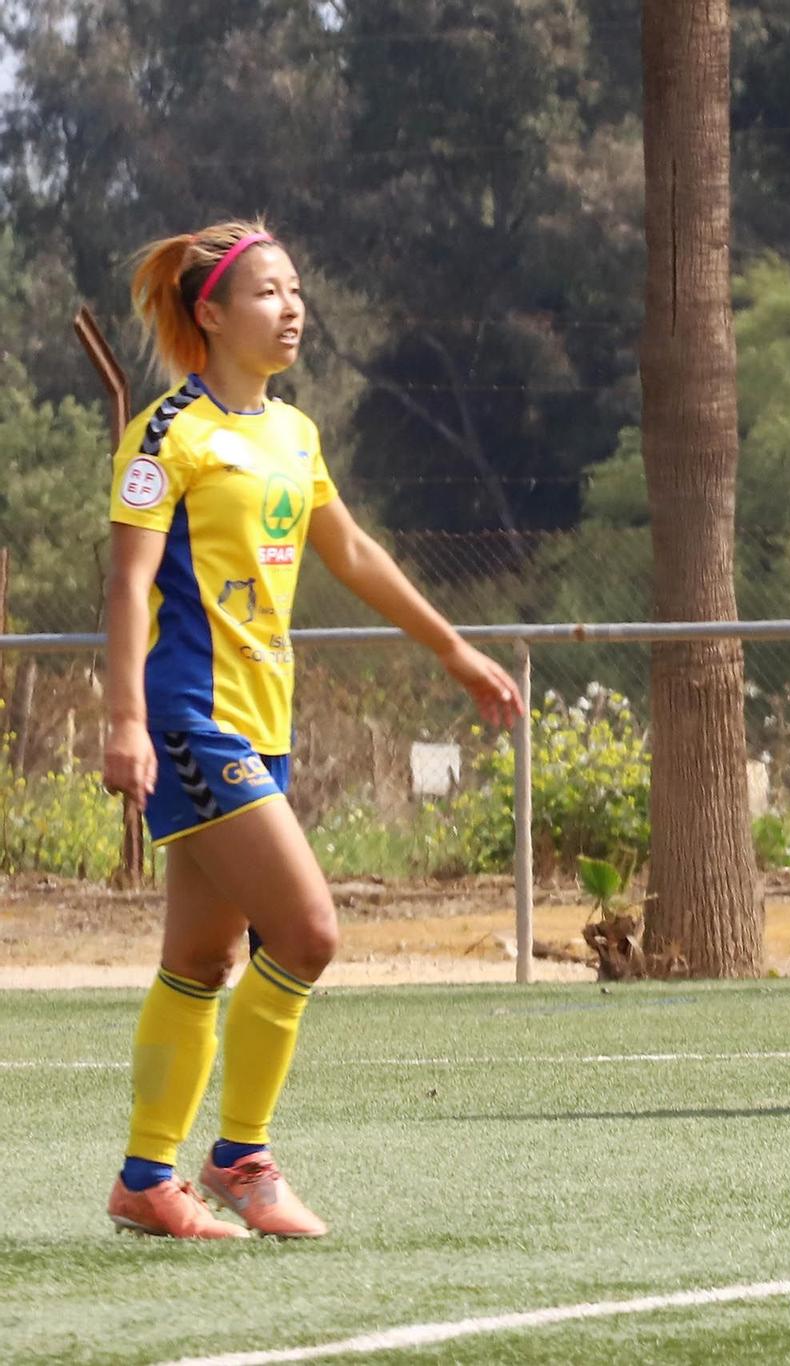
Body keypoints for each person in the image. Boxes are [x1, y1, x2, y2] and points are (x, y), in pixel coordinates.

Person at [101, 220, 523, 1238]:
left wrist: (456, 651)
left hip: (261, 722)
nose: (291, 308)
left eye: (295, 291)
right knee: (308, 931)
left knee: (202, 961)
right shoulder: (169, 433)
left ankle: (145, 1181)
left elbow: (357, 553)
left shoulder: (293, 433)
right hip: (192, 720)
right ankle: (240, 1157)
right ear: (211, 314)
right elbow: (126, 580)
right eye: (266, 293)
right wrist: (123, 716)